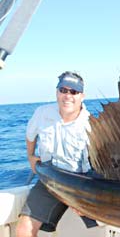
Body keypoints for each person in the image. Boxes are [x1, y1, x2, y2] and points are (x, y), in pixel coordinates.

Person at [16, 71, 96, 237]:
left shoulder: (92, 125)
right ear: (57, 92)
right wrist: (30, 156)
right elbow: (30, 136)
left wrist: (84, 202)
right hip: (50, 181)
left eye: (73, 92)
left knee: (103, 229)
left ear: (82, 96)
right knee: (23, 230)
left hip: (83, 186)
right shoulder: (42, 113)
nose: (68, 96)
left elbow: (99, 166)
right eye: (63, 90)